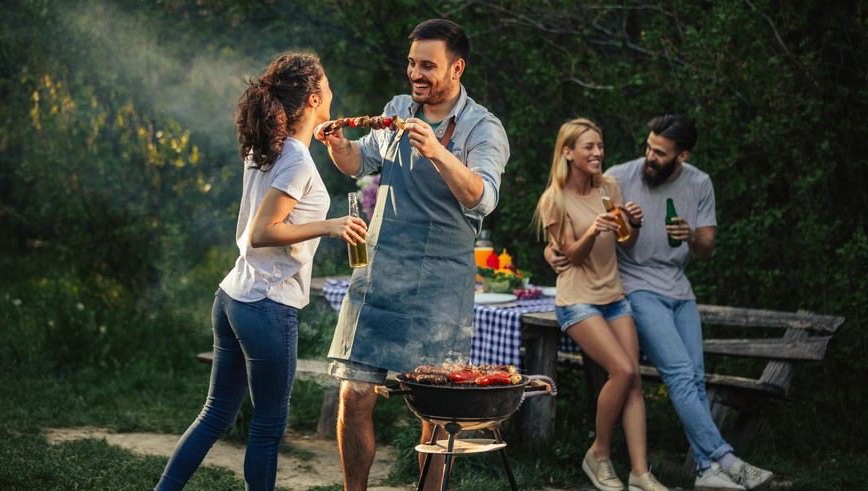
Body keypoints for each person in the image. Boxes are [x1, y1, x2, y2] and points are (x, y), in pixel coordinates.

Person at [155, 50, 368, 491]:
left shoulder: (273, 147)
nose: (331, 89)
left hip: (233, 296)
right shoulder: (295, 159)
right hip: (267, 304)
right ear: (312, 99)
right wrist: (330, 226)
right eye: (324, 84)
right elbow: (262, 232)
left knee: (216, 414)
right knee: (269, 426)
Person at [314, 18, 509, 491]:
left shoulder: (484, 128)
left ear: (457, 67)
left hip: (442, 285)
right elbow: (360, 162)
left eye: (428, 65)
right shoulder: (398, 110)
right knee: (354, 396)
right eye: (411, 63)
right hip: (379, 274)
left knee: (436, 411)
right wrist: (340, 147)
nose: (415, 74)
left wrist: (440, 153)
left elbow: (483, 197)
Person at [546, 115, 775, 490]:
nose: (650, 157)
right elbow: (570, 219)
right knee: (680, 376)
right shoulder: (621, 176)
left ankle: (705, 470)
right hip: (635, 288)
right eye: (649, 147)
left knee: (694, 379)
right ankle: (727, 460)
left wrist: (689, 236)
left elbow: (706, 248)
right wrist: (551, 251)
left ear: (681, 155)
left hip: (679, 289)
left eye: (660, 153)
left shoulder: (699, 183)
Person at [534, 118, 667, 491]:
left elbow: (625, 243)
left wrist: (633, 223)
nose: (597, 153)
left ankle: (640, 473)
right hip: (577, 300)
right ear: (568, 153)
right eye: (589, 147)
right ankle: (599, 454)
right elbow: (572, 257)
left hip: (613, 295)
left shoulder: (609, 186)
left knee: (634, 380)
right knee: (623, 371)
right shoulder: (554, 200)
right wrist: (594, 228)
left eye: (600, 146)